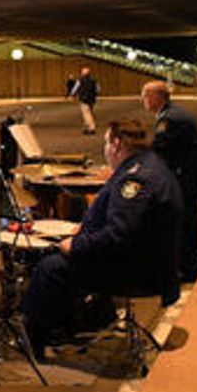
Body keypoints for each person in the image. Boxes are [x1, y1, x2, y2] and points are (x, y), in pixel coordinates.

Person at [21, 118, 182, 359]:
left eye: (106, 143)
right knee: (63, 257)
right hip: (149, 263)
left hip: (137, 273)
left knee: (50, 267)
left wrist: (76, 245)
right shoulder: (150, 164)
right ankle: (89, 318)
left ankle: (32, 341)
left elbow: (118, 235)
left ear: (117, 144)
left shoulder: (134, 180)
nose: (105, 149)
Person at [142, 81, 197, 282]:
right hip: (190, 177)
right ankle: (187, 265)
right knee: (186, 223)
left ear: (157, 97)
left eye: (146, 96)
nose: (143, 100)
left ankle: (189, 269)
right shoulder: (172, 113)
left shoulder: (171, 119)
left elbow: (159, 149)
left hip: (188, 180)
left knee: (186, 225)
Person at [70, 66, 98, 135]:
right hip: (92, 99)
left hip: (83, 99)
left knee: (87, 114)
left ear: (82, 73)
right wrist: (94, 95)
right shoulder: (94, 80)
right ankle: (87, 127)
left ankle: (92, 128)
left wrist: (72, 95)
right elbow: (98, 89)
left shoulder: (80, 80)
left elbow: (75, 88)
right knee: (89, 112)